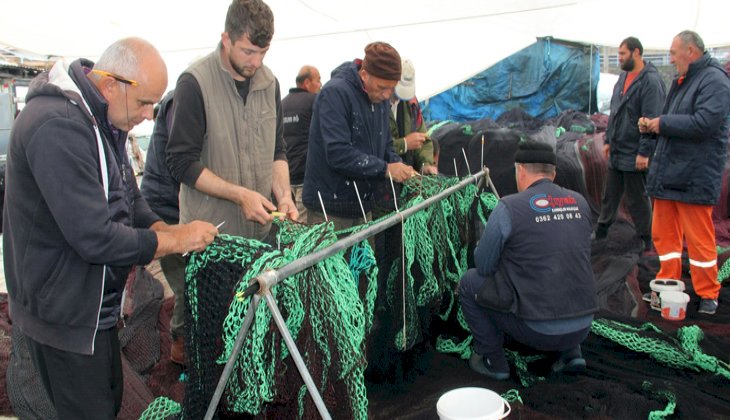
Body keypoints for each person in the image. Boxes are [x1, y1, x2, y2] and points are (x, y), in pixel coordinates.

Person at [3, 37, 218, 419]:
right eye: (144, 103)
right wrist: (174, 241)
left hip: (94, 310)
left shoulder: (102, 123)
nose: (151, 114)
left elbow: (128, 197)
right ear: (110, 85)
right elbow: (93, 237)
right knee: (90, 410)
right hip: (64, 316)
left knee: (109, 399)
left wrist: (164, 229)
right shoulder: (58, 127)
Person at [458, 140, 597, 380]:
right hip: (583, 325)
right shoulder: (580, 203)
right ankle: (570, 353)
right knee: (563, 266)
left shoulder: (510, 207)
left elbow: (484, 265)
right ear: (553, 173)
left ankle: (493, 360)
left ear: (519, 170)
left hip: (537, 329)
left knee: (470, 283)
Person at [167, 0, 298, 243]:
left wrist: (284, 197)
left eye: (263, 52)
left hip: (260, 234)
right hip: (211, 239)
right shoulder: (194, 83)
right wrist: (239, 195)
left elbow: (277, 151)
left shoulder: (270, 84)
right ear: (226, 39)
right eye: (248, 51)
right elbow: (181, 163)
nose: (256, 62)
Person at [639, 30, 730, 315]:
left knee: (700, 239)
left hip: (694, 176)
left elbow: (705, 123)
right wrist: (652, 127)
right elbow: (675, 122)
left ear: (691, 51)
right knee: (664, 236)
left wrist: (661, 123)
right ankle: (670, 282)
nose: (671, 57)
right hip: (669, 174)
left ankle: (708, 294)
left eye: (674, 52)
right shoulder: (681, 81)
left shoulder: (714, 80)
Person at [302, 41, 418, 229]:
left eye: (391, 88)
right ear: (364, 75)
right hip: (330, 210)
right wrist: (386, 169)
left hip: (363, 206)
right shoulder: (335, 94)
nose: (387, 95)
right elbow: (337, 153)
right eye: (382, 87)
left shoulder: (380, 100)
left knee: (365, 258)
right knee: (334, 259)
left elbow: (386, 145)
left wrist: (401, 167)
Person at [594, 37, 665, 251]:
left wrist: (644, 153)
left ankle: (645, 237)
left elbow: (652, 118)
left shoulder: (650, 82)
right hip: (618, 148)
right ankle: (601, 231)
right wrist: (608, 140)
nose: (620, 57)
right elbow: (615, 111)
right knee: (610, 193)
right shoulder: (623, 77)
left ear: (636, 52)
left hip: (635, 151)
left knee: (636, 197)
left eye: (623, 54)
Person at [139, 90, 188, 364]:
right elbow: (183, 160)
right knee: (185, 285)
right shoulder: (179, 101)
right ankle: (180, 347)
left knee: (194, 282)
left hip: (180, 209)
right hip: (166, 210)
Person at [282, 65, 321, 221]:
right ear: (306, 82)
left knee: (290, 222)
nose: (320, 85)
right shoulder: (314, 101)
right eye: (318, 80)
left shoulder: (282, 104)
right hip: (306, 176)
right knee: (304, 225)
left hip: (286, 177)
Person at [389, 59, 437, 175]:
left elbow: (423, 139)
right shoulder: (374, 105)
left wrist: (425, 164)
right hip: (385, 181)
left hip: (407, 179)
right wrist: (404, 144)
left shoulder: (411, 104)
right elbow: (374, 148)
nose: (398, 97)